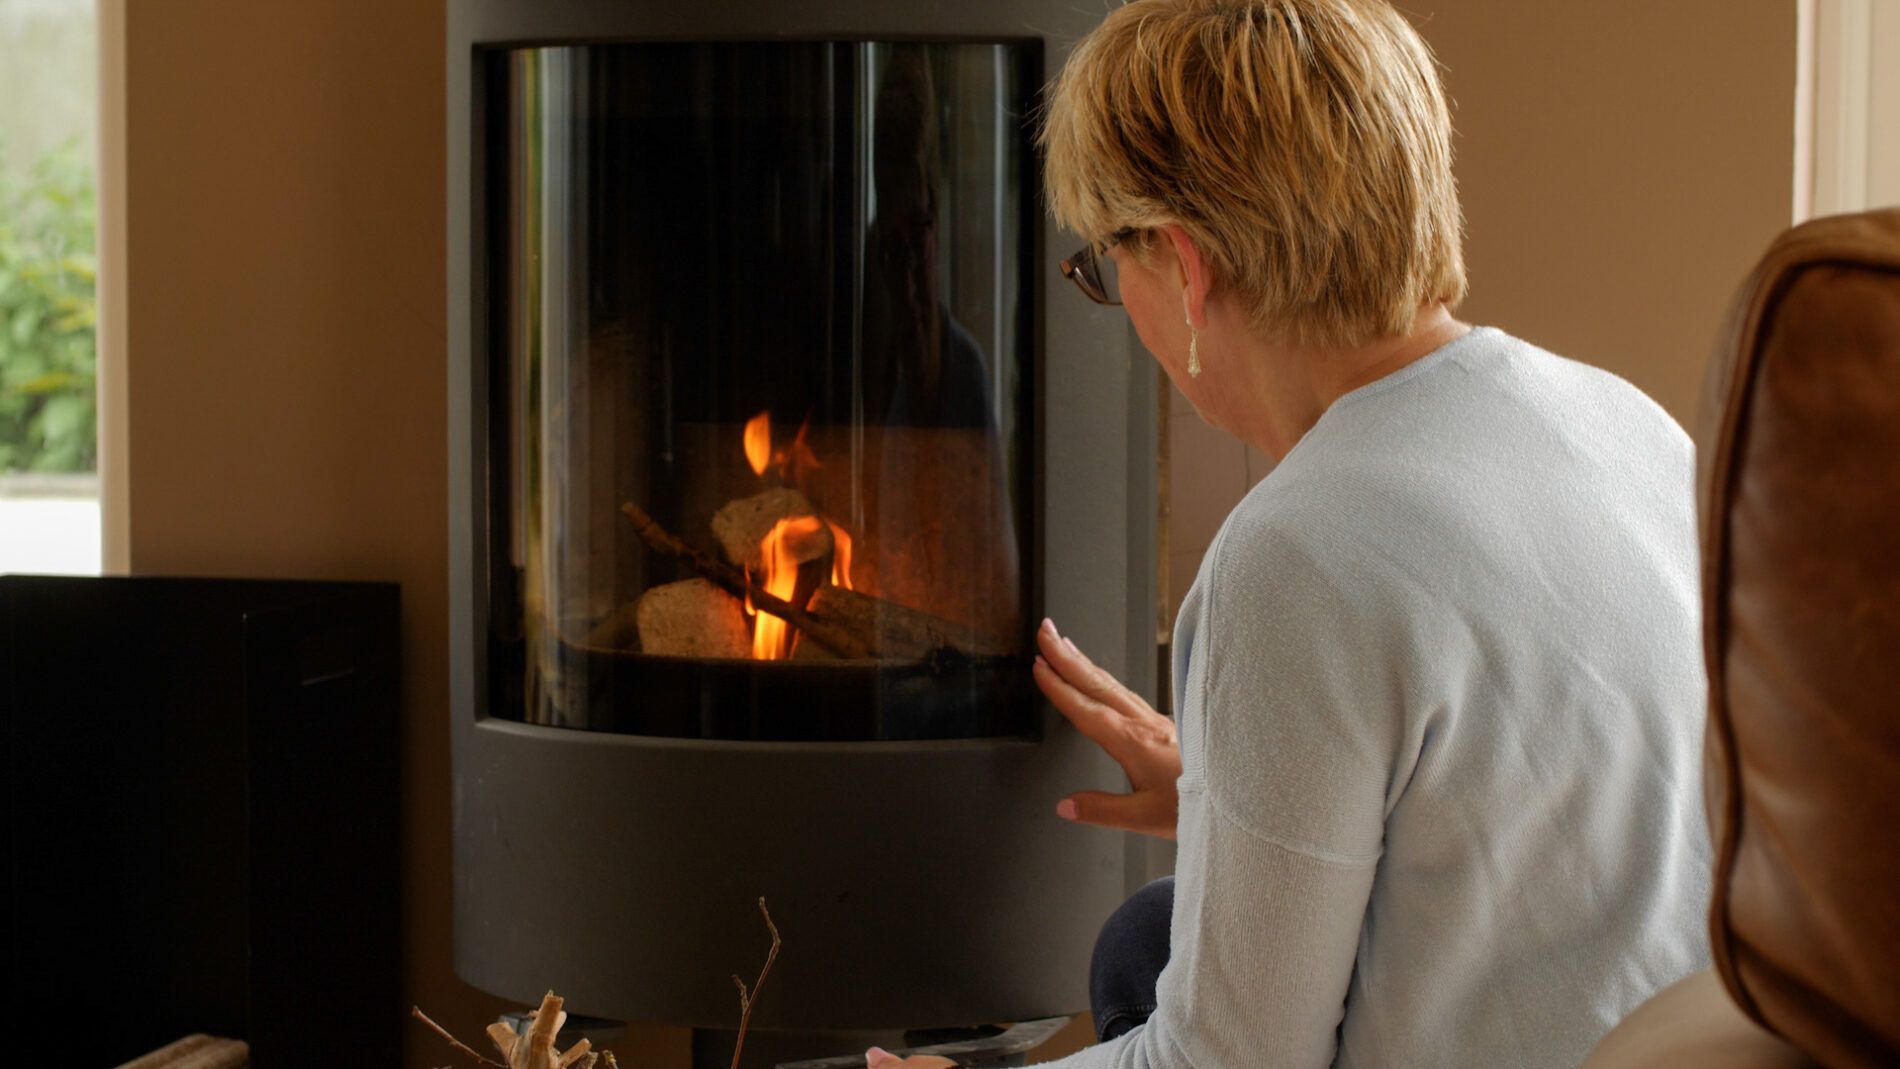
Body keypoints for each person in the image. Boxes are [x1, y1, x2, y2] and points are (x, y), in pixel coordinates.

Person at [867, 0, 1711, 1066]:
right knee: (1144, 941)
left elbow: (1223, 1063)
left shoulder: (1295, 554)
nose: (1114, 297)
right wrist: (1225, 798)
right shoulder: (1627, 422)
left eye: (1103, 265)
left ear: (1186, 265)